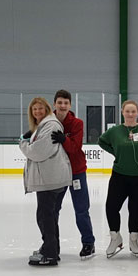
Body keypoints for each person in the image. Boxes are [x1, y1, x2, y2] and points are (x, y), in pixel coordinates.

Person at [98, 100, 138, 258]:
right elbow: (101, 141)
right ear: (122, 112)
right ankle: (115, 237)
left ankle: (133, 239)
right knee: (111, 207)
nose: (130, 114)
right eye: (127, 111)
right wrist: (115, 151)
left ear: (137, 113)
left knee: (135, 209)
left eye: (133, 111)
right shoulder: (115, 131)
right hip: (119, 175)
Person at [20, 97, 72, 266]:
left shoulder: (50, 125)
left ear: (47, 109)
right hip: (49, 177)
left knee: (45, 216)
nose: (37, 112)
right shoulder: (44, 125)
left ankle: (50, 254)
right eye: (34, 109)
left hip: (50, 178)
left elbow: (38, 152)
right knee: (46, 215)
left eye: (40, 109)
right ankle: (51, 249)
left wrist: (23, 144)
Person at [50, 89, 96, 259]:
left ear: (70, 105)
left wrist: (63, 139)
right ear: (54, 104)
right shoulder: (48, 122)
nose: (63, 106)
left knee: (81, 209)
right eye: (60, 102)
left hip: (76, 172)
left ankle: (88, 243)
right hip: (56, 172)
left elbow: (74, 147)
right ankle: (52, 244)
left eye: (66, 103)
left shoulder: (77, 123)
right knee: (53, 210)